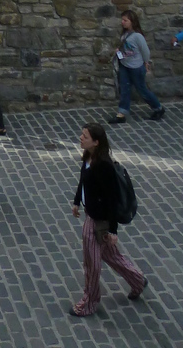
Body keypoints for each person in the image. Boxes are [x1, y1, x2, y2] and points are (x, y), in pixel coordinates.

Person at [70, 122, 146, 317]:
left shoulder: (103, 166)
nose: (80, 137)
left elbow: (112, 200)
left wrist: (113, 231)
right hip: (92, 215)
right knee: (112, 257)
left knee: (92, 264)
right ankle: (137, 280)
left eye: (85, 136)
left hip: (98, 222)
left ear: (96, 142)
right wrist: (77, 201)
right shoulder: (88, 157)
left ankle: (89, 302)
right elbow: (83, 181)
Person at [110, 9, 165, 124]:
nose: (122, 22)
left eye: (125, 20)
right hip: (125, 65)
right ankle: (121, 114)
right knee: (124, 89)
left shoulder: (138, 36)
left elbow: (145, 52)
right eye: (122, 20)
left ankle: (158, 108)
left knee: (142, 90)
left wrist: (146, 62)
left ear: (132, 21)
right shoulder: (124, 34)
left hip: (136, 67)